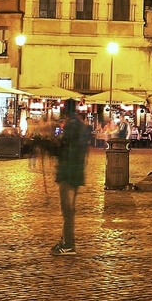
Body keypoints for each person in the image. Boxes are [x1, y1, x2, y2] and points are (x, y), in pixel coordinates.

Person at [51, 102, 92, 255]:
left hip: (68, 173)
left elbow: (64, 148)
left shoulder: (71, 126)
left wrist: (49, 145)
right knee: (69, 209)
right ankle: (64, 240)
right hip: (74, 173)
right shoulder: (79, 125)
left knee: (67, 210)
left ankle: (69, 244)